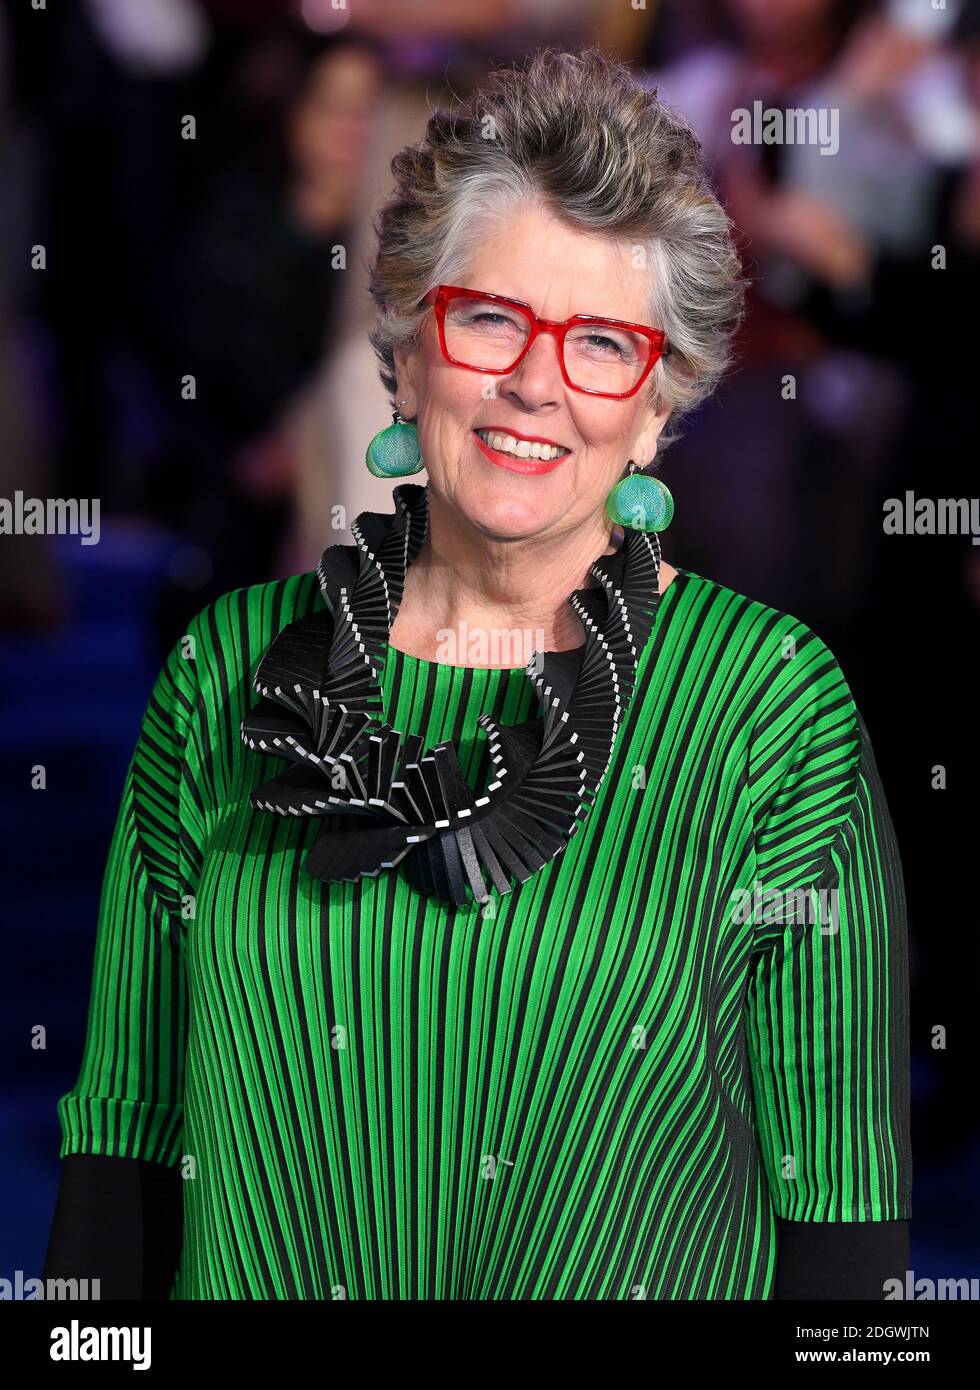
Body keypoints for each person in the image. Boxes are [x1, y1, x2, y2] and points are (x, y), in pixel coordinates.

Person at [43, 46, 911, 1300]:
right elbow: (125, 1132)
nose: (533, 384)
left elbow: (838, 1199)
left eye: (602, 343)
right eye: (489, 316)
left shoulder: (770, 704)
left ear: (656, 407)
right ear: (404, 349)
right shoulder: (228, 669)